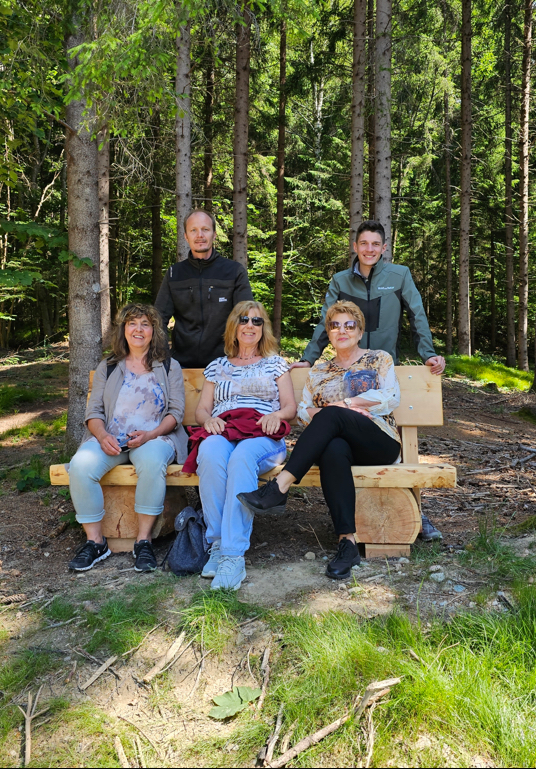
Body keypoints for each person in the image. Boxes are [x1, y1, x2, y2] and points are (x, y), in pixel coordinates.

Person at [292, 220, 445, 542]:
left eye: (376, 244)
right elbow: (326, 322)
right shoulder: (340, 280)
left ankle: (416, 511)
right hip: (345, 372)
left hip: (382, 370)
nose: (369, 249)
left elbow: (417, 314)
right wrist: (308, 358)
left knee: (385, 435)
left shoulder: (399, 276)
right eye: (364, 243)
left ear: (384, 247)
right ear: (355, 246)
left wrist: (428, 353)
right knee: (342, 438)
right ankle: (354, 520)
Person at [238, 301, 402, 580]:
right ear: (328, 332)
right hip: (342, 447)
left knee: (332, 414)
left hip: (379, 441)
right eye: (335, 325)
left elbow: (390, 397)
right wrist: (338, 412)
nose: (342, 330)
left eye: (349, 325)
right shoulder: (319, 371)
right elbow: (304, 413)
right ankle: (347, 543)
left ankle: (280, 486)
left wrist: (345, 405)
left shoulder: (378, 359)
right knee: (333, 448)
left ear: (360, 332)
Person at [66, 303, 188, 574]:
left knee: (152, 462)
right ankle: (96, 542)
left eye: (145, 324)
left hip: (155, 437)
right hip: (111, 439)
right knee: (81, 465)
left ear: (154, 331)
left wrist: (151, 434)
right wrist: (102, 436)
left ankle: (143, 542)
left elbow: (176, 413)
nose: (138, 329)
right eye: (132, 323)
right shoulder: (109, 367)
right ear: (123, 329)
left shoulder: (169, 367)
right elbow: (93, 412)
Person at [187, 300, 296, 591]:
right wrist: (209, 420)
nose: (250, 325)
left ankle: (233, 556)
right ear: (234, 327)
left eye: (257, 321)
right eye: (244, 320)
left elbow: (290, 407)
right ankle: (218, 544)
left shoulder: (275, 363)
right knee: (210, 453)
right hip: (225, 430)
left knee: (241, 457)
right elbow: (202, 410)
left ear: (263, 328)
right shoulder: (217, 366)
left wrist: (276, 416)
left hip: (263, 435)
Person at [154, 210, 254, 368]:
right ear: (186, 236)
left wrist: (243, 359)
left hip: (226, 365)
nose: (199, 235)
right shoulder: (174, 274)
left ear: (214, 234)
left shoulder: (234, 271)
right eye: (193, 230)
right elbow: (158, 320)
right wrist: (165, 357)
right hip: (182, 366)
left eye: (205, 229)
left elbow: (248, 319)